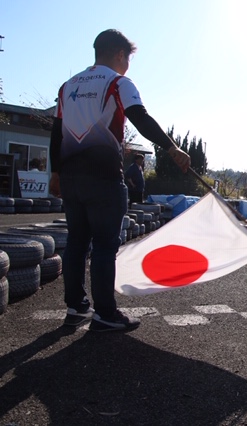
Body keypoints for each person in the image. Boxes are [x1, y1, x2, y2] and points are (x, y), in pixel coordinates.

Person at [49, 29, 191, 332]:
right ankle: (105, 313)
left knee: (76, 242)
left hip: (71, 177)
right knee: (103, 245)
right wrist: (172, 147)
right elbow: (139, 116)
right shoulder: (118, 83)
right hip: (103, 178)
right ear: (119, 55)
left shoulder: (67, 86)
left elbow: (56, 131)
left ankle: (75, 307)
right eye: (128, 58)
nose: (128, 65)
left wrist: (55, 172)